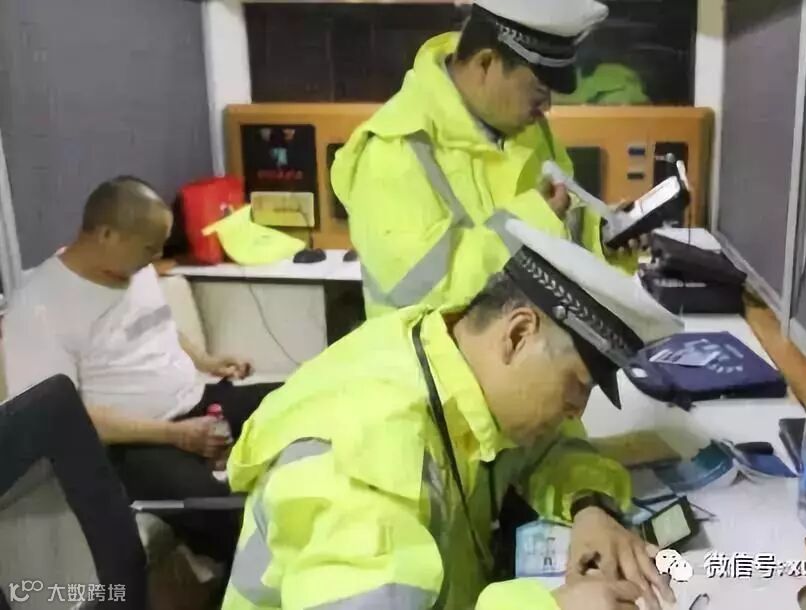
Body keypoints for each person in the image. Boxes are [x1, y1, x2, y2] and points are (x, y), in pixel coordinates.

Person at [220, 218, 683, 610]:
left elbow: (549, 448)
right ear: (518, 334)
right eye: (576, 385)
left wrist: (589, 507)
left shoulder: (452, 351)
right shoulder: (365, 459)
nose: (576, 410)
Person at [1, 176, 282, 563]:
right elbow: (63, 419)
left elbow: (155, 322)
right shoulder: (38, 308)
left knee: (301, 399)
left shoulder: (132, 266)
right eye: (150, 248)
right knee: (220, 512)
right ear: (107, 235)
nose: (157, 256)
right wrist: (175, 435)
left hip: (196, 402)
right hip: (132, 445)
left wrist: (205, 360)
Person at [331, 0, 646, 321]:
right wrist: (528, 224)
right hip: (439, 353)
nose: (546, 107)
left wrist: (603, 240)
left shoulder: (528, 130)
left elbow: (563, 221)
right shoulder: (395, 148)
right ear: (485, 64)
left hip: (527, 341)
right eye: (538, 91)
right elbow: (417, 291)